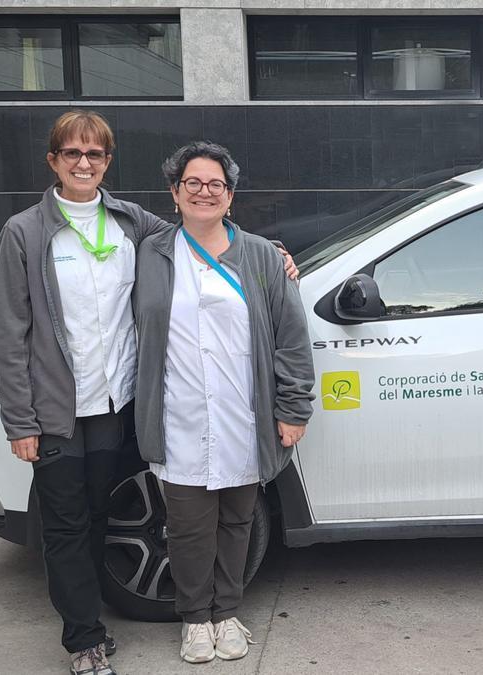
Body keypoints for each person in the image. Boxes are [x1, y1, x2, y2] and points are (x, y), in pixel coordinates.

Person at [0, 110, 176, 675]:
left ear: (107, 162)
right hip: (55, 413)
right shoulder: (24, 232)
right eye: (72, 153)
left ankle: (88, 615)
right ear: (53, 161)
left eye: (94, 154)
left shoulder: (129, 222)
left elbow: (195, 232)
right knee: (65, 525)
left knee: (99, 515)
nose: (83, 163)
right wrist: (19, 421)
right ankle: (83, 639)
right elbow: (10, 332)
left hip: (113, 405)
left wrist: (269, 253)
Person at [133, 141, 315, 664]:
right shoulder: (153, 251)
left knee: (237, 519)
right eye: (193, 183)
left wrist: (293, 407)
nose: (204, 192)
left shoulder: (260, 255)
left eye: (216, 184)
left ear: (230, 196)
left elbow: (291, 337)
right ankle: (194, 619)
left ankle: (227, 612)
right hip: (178, 413)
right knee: (187, 526)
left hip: (243, 413)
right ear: (175, 193)